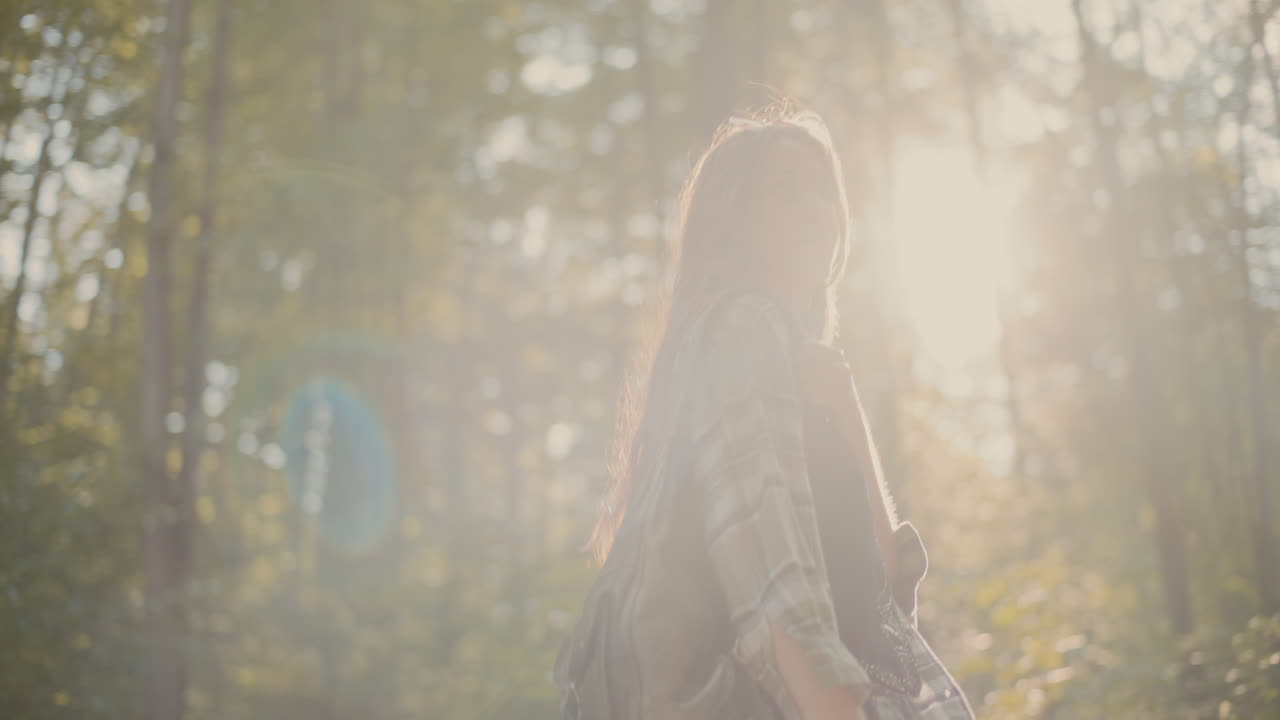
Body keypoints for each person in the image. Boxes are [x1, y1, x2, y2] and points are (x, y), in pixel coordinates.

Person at [580, 102, 974, 720]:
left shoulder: (788, 367)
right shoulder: (742, 329)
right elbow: (777, 593)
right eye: (784, 191)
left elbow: (884, 595)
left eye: (823, 191)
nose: (816, 210)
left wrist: (846, 409)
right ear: (734, 217)